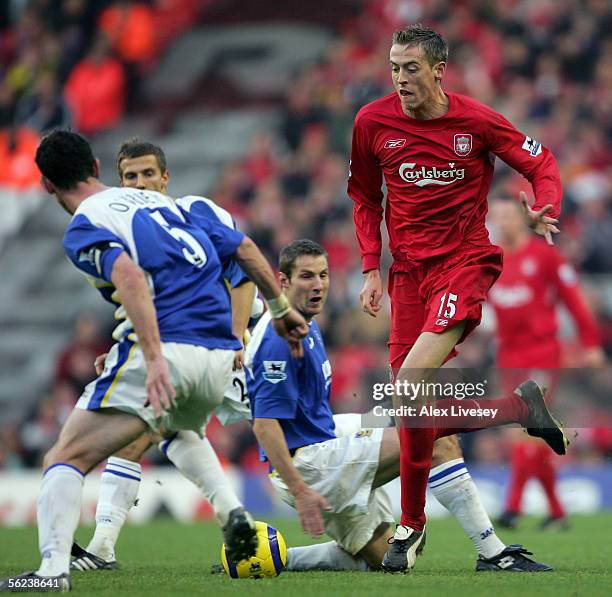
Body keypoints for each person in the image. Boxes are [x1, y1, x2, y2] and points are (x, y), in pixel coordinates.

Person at [0, 130, 307, 591]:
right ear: (101, 169)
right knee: (176, 427)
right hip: (218, 355)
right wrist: (282, 309)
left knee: (64, 455)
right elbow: (243, 249)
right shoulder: (176, 206)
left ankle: (51, 572)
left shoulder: (87, 222)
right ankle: (233, 512)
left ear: (45, 185)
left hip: (175, 351)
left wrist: (152, 355)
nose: (140, 180)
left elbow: (127, 275)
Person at [347, 25, 566, 572]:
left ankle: (411, 524)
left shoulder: (476, 120)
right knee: (410, 408)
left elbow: (541, 162)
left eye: (412, 68)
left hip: (464, 265)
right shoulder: (372, 122)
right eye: (395, 67)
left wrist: (544, 206)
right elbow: (364, 199)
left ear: (439, 69)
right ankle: (518, 408)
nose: (401, 78)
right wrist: (371, 267)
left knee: (408, 384)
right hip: (408, 277)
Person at [246, 239, 556, 573]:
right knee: (428, 434)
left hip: (325, 439)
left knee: (388, 561)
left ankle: (279, 558)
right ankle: (494, 550)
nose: (318, 284)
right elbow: (264, 425)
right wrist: (300, 489)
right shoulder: (280, 339)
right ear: (283, 281)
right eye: (306, 276)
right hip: (308, 463)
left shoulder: (303, 323)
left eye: (323, 274)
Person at [70, 139, 261, 572]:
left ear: (166, 177)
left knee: (300, 445)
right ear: (118, 183)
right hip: (188, 349)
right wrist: (127, 349)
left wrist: (237, 336)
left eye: (148, 174)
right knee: (142, 427)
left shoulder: (197, 211)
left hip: (241, 344)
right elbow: (146, 306)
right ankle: (103, 546)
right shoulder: (124, 230)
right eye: (131, 177)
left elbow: (243, 273)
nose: (141, 184)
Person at [487, 198, 604, 530]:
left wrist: (591, 342)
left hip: (542, 352)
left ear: (522, 219)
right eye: (498, 217)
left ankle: (512, 508)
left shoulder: (545, 255)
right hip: (508, 356)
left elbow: (573, 299)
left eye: (510, 216)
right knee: (526, 437)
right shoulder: (491, 259)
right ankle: (556, 512)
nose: (505, 222)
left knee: (528, 429)